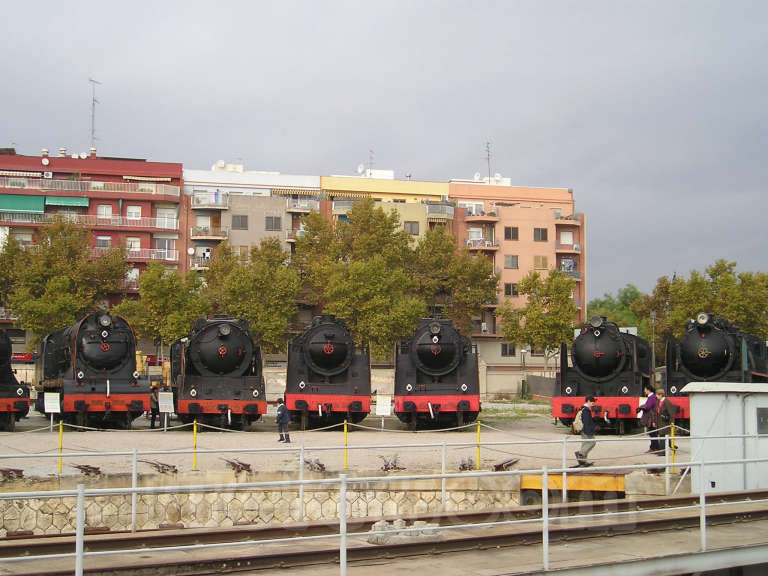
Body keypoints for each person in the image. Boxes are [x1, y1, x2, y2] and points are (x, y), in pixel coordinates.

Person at [637, 384, 660, 452]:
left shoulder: (652, 397)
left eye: (645, 389)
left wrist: (640, 407)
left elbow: (648, 406)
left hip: (651, 418)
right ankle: (654, 447)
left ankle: (655, 448)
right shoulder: (652, 397)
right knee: (652, 433)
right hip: (651, 417)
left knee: (652, 433)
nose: (644, 391)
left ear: (648, 390)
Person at [574, 396, 597, 466]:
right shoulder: (586, 410)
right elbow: (586, 422)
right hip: (586, 430)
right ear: (589, 401)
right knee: (592, 442)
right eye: (592, 402)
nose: (593, 404)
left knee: (584, 444)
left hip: (583, 429)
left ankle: (583, 461)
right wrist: (589, 432)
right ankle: (580, 454)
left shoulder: (583, 409)